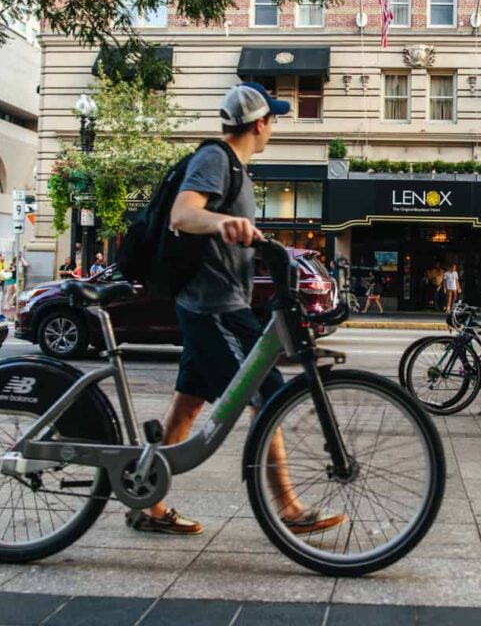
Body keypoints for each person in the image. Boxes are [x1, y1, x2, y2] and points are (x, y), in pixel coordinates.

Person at [130, 81, 345, 535]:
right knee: (269, 397)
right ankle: (287, 508)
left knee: (187, 404)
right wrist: (226, 221)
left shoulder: (235, 169)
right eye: (275, 119)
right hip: (216, 308)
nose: (275, 127)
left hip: (215, 303)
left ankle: (147, 501)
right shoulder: (216, 159)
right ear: (260, 123)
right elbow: (184, 215)